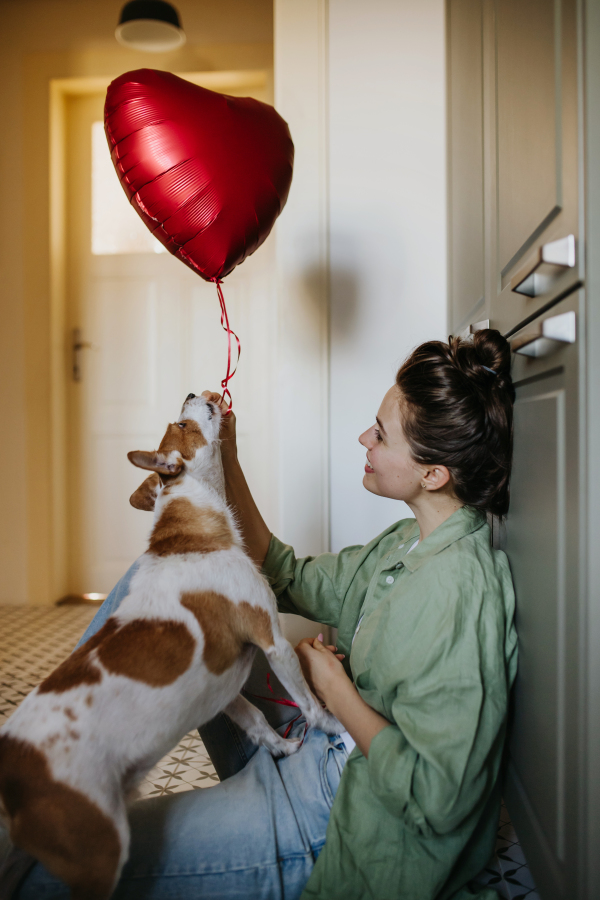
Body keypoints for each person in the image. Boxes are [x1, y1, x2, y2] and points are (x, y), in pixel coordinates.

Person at [2, 330, 517, 900]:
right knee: (171, 574)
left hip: (329, 810)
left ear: (432, 474)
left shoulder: (459, 594)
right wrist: (224, 457)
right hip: (305, 737)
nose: (363, 439)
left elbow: (436, 798)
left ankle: (47, 780)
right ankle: (44, 755)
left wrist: (335, 689)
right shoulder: (406, 542)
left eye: (381, 434)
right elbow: (283, 573)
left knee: (51, 869)